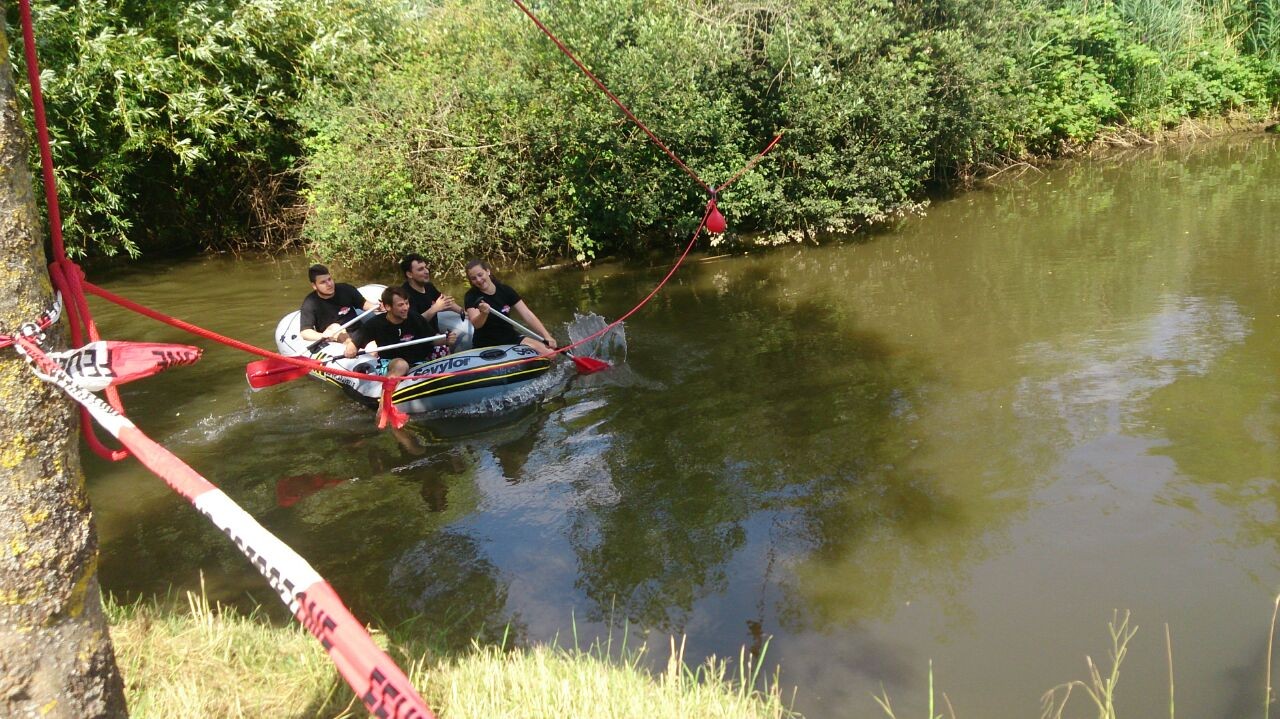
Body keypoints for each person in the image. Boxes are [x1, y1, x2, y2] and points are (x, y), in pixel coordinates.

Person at [343, 286, 456, 423]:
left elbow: (432, 340)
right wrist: (351, 349)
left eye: (407, 303)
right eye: (400, 305)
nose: (405, 308)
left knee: (444, 349)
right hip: (391, 362)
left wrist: (446, 340)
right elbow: (353, 345)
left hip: (419, 361)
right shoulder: (376, 324)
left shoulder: (415, 318)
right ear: (388, 307)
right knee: (401, 365)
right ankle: (383, 409)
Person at [463, 259, 557, 357]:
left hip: (510, 337)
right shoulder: (471, 296)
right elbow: (477, 324)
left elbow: (527, 314)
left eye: (480, 275)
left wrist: (546, 336)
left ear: (488, 271)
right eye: (473, 278)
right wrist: (484, 313)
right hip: (486, 343)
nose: (478, 280)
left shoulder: (505, 290)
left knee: (551, 354)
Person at [400, 253, 462, 357]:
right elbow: (413, 324)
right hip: (417, 341)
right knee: (444, 349)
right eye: (420, 269)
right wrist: (435, 308)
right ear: (409, 274)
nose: (426, 271)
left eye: (426, 267)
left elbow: (446, 301)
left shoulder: (429, 286)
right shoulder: (404, 295)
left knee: (449, 342)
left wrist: (462, 311)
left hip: (433, 336)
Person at [298, 264, 376, 344]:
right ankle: (353, 346)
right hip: (335, 339)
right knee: (335, 327)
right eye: (323, 282)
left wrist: (376, 307)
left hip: (358, 331)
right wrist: (322, 336)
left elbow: (363, 303)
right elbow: (305, 332)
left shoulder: (345, 289)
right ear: (314, 286)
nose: (329, 284)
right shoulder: (310, 303)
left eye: (329, 279)